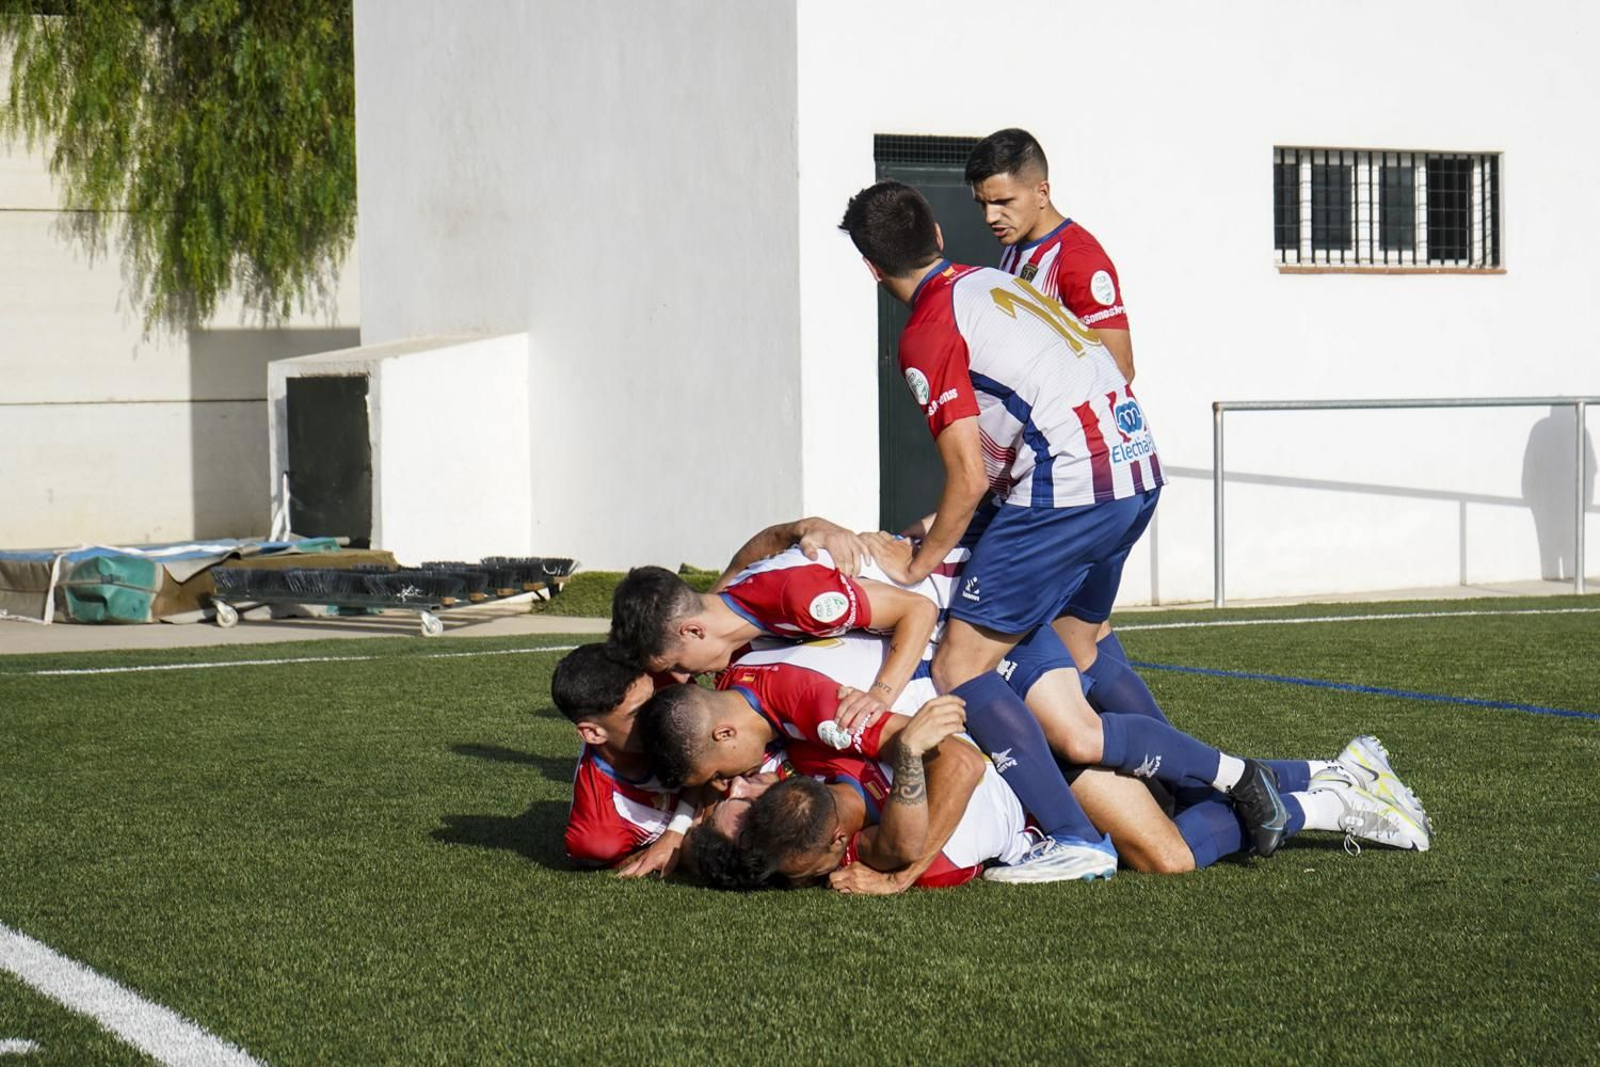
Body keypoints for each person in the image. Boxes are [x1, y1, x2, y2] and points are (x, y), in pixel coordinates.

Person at [839, 180, 1241, 876]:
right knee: (1081, 652)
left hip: (1071, 487)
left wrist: (915, 561)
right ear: (937, 233)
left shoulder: (928, 328)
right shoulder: (990, 281)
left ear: (873, 269)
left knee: (962, 661)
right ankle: (1225, 790)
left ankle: (1075, 837)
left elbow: (965, 473)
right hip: (1135, 472)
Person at [964, 127, 1151, 684]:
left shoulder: (1078, 259)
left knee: (1062, 644)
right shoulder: (1016, 251)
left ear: (1041, 191)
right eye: (983, 204)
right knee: (1085, 635)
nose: (992, 215)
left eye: (1004, 201)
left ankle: (1146, 760)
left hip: (1080, 475)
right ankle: (1167, 765)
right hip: (1063, 474)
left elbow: (1120, 366)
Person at [549, 643, 695, 873]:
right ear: (594, 733)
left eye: (655, 696)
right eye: (639, 713)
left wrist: (675, 834)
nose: (661, 712)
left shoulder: (666, 684)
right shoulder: (597, 835)